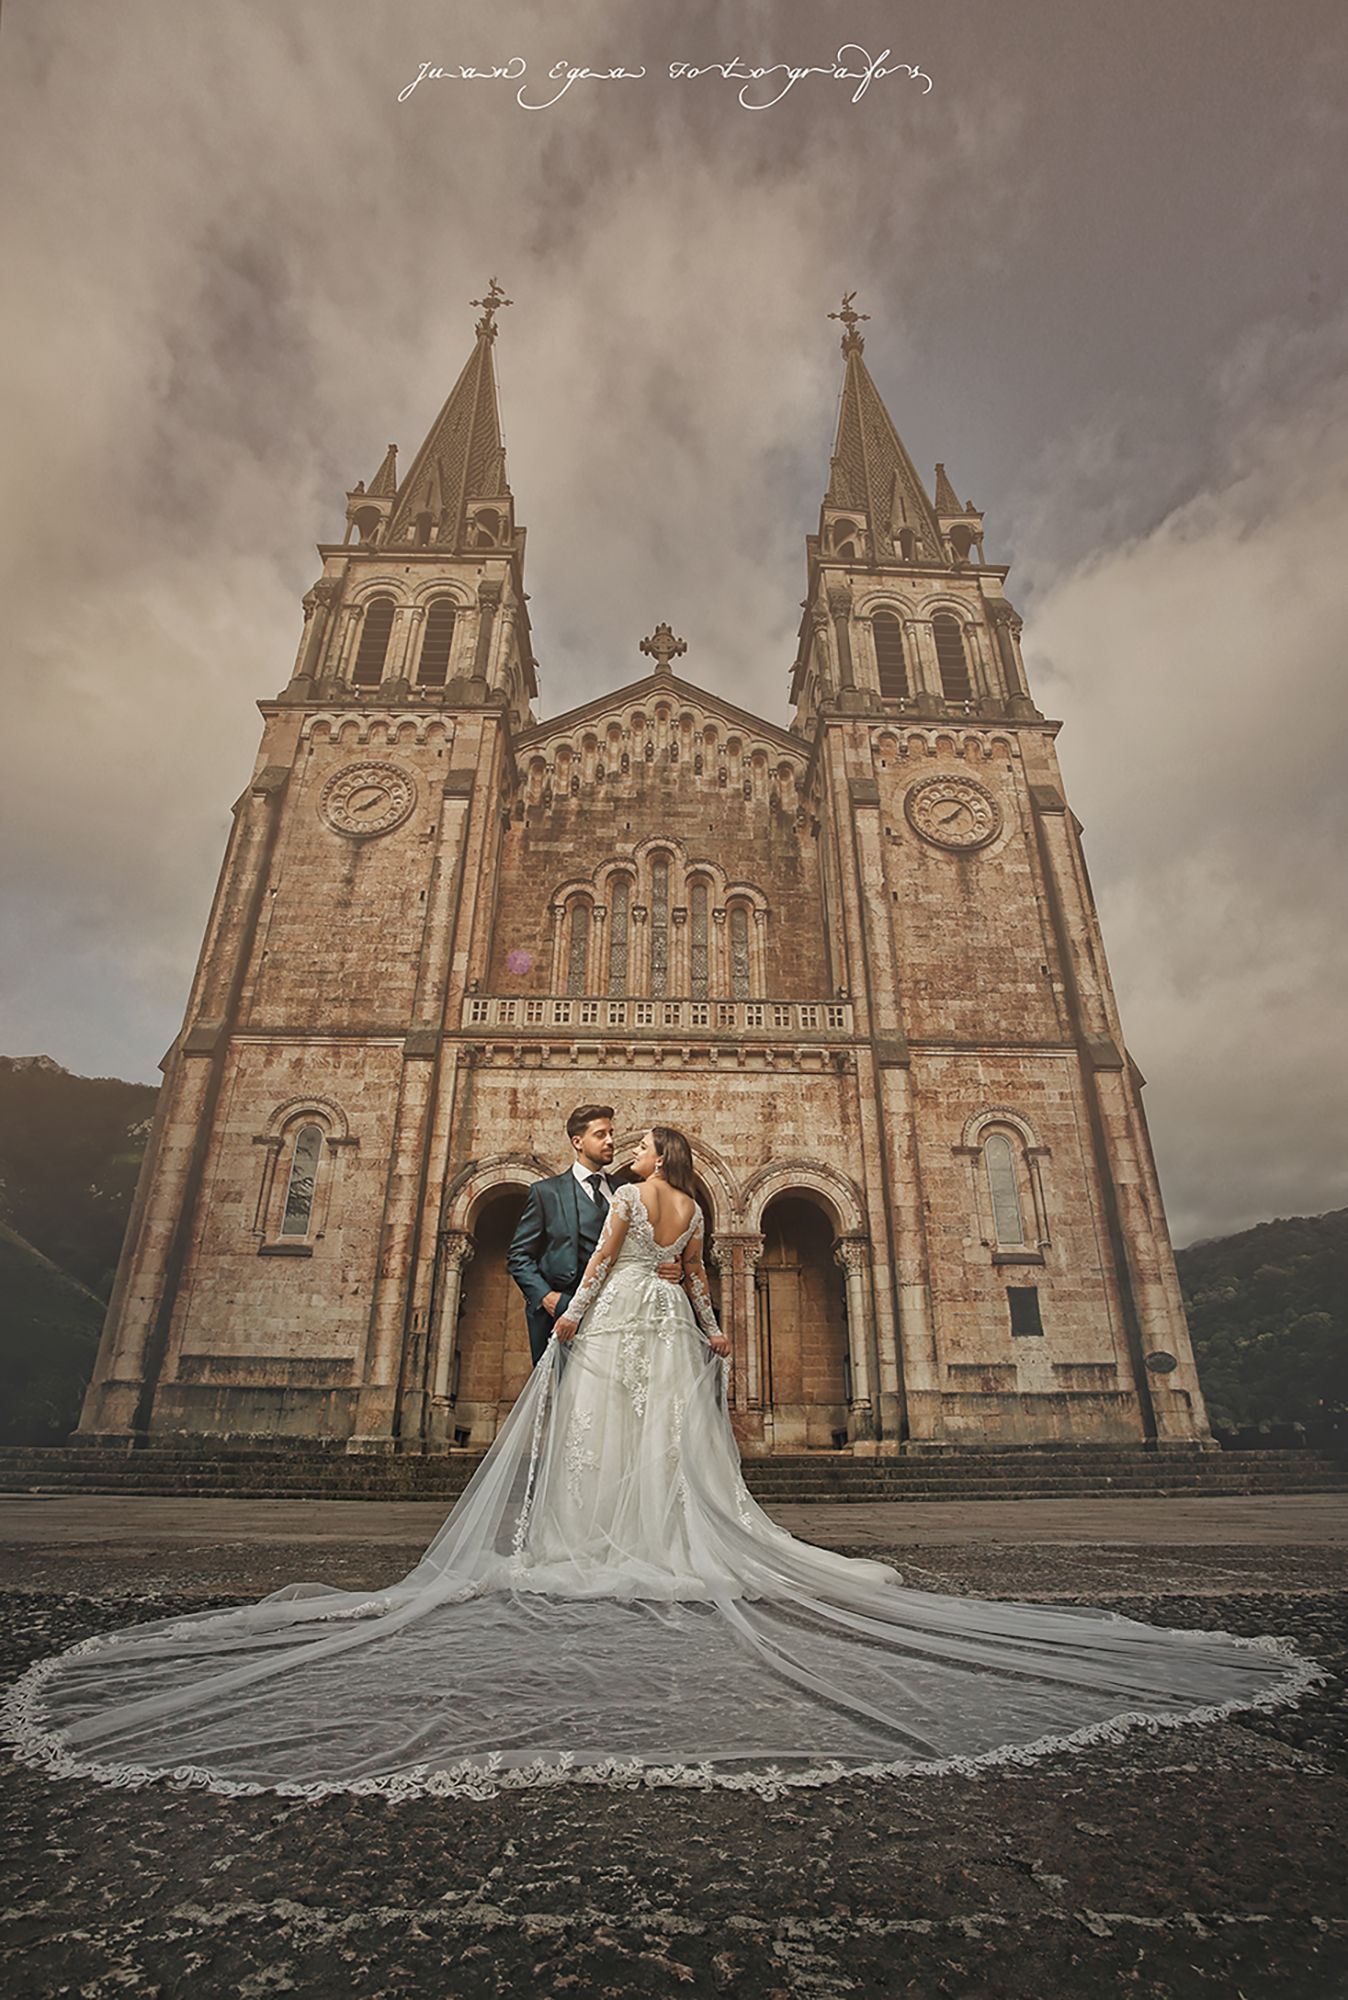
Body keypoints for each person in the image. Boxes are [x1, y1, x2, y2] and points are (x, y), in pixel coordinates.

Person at [2, 1124, 1323, 1801]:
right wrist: (714, 1330)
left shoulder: (636, 1199)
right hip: (668, 1325)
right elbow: (691, 1279)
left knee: (603, 1436)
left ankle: (593, 1543)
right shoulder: (674, 1203)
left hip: (616, 1320)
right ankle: (656, 1535)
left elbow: (620, 1262)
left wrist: (566, 1318)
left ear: (649, 1162)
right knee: (652, 1445)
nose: (629, 1148)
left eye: (636, 1142)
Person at [505, 1105, 682, 1365]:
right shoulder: (546, 1193)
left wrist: (674, 1267)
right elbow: (518, 1255)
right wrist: (546, 1296)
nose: (610, 1140)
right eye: (600, 1135)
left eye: (611, 1133)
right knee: (559, 1397)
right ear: (578, 1142)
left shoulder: (629, 1190)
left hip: (621, 1312)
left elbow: (653, 1243)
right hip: (562, 1309)